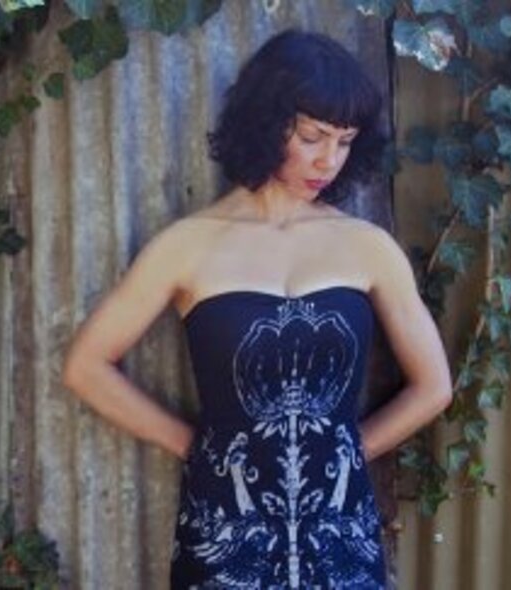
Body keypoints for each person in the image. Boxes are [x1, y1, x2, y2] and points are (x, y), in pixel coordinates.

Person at [61, 29, 453, 589]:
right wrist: (194, 447)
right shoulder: (188, 244)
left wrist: (347, 451)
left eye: (344, 142)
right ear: (268, 124)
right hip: (225, 526)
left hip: (339, 530)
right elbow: (85, 367)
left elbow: (434, 386)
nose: (329, 160)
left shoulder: (367, 247)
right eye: (314, 136)